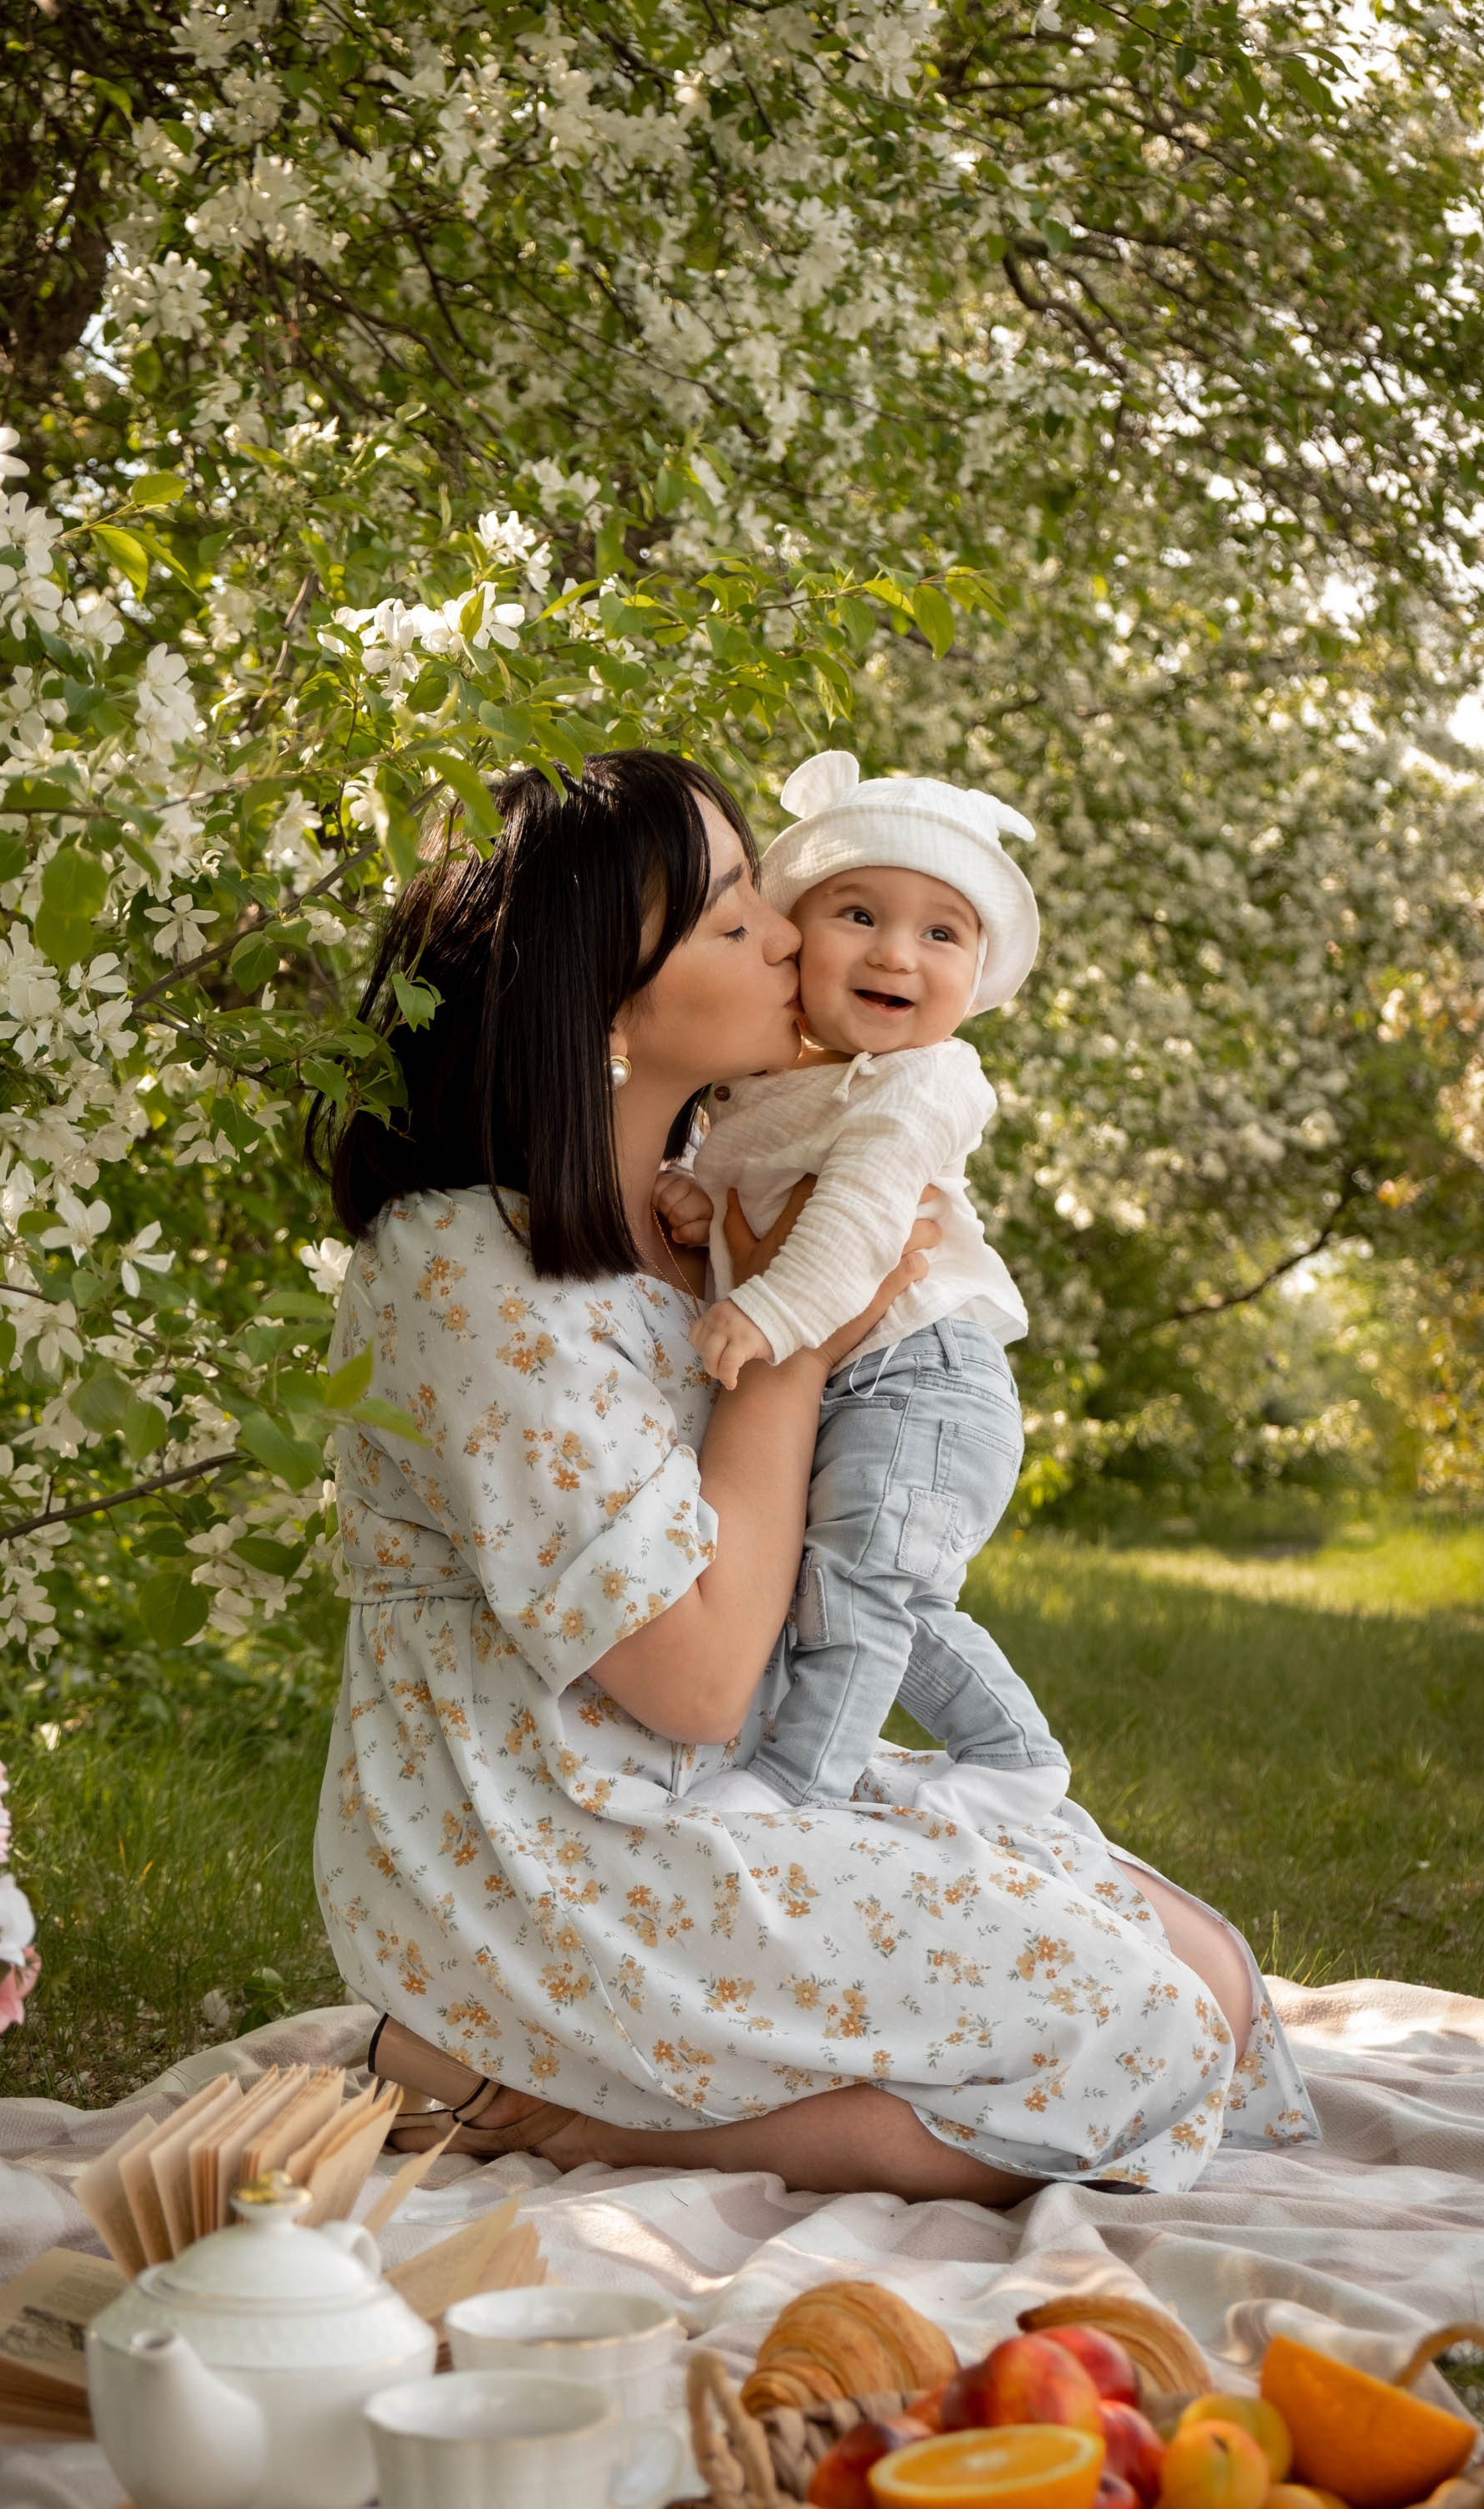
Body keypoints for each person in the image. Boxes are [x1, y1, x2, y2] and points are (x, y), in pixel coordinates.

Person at [309, 748, 1317, 2200]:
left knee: (1211, 1975)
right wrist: (792, 1344)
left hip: (697, 1778)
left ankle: (612, 2072)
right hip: (549, 1840)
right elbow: (701, 1677)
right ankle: (532, 2098)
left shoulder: (699, 1203)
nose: (792, 932)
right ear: (603, 1000)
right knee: (1146, 2036)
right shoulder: (475, 1266)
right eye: (734, 918)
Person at [651, 747, 1067, 1826]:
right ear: (796, 931)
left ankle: (797, 1788)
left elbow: (862, 1219)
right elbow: (747, 1191)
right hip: (865, 1375)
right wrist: (700, 1210)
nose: (896, 953)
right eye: (857, 914)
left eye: (942, 932)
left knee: (859, 1587)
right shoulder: (773, 1079)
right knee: (861, 1585)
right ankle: (1014, 1758)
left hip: (919, 1376)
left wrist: (770, 1310)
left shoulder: (927, 1079)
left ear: (977, 976)